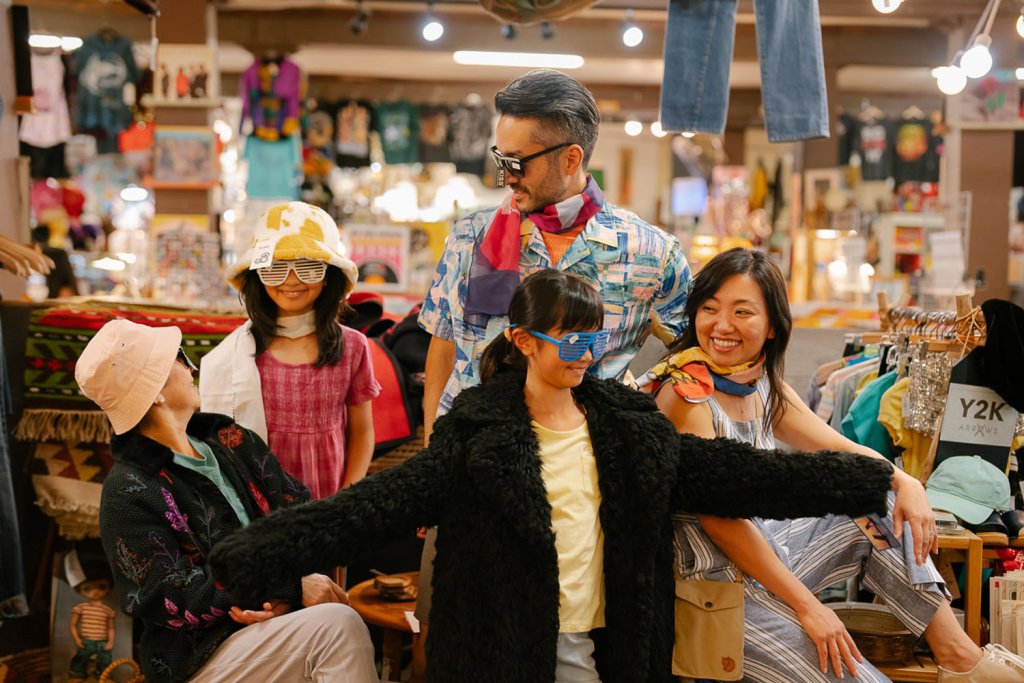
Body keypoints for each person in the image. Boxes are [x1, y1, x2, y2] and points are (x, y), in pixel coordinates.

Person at [209, 269, 895, 683]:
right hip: (502, 652)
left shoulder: (628, 424)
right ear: (524, 340)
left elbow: (737, 474)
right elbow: (372, 503)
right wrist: (252, 557)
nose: (582, 352)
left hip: (608, 644)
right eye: (567, 336)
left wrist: (871, 480)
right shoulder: (477, 435)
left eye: (591, 337)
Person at [414, 68, 692, 658]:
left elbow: (689, 352)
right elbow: (443, 341)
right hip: (474, 468)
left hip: (583, 487)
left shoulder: (649, 253)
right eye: (500, 158)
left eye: (518, 162)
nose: (504, 175)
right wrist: (433, 448)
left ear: (571, 157)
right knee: (452, 641)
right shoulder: (473, 237)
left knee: (572, 645)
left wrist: (637, 409)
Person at [650, 248, 1024, 683]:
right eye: (709, 309)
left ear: (772, 326)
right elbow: (722, 524)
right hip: (714, 585)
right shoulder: (687, 392)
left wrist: (905, 482)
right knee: (856, 676)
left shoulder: (758, 382)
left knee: (875, 494)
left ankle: (959, 656)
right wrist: (808, 606)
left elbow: (841, 448)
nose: (722, 326)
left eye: (742, 311)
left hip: (767, 554)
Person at [77, 319, 378, 683]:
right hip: (201, 658)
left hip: (274, 631)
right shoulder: (128, 489)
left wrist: (288, 592)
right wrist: (282, 588)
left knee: (336, 620)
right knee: (337, 625)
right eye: (179, 358)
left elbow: (301, 514)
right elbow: (169, 597)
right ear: (155, 390)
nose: (192, 367)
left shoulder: (232, 440)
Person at [200, 201, 380, 499]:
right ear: (257, 276)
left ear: (329, 276)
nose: (292, 280)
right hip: (260, 501)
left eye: (309, 267)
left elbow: (363, 431)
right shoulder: (242, 351)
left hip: (329, 500)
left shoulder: (352, 346)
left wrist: (346, 498)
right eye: (275, 269)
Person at [67, 563, 115, 683]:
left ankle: (104, 677)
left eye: (102, 587)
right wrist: (77, 639)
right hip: (86, 640)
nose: (95, 592)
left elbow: (111, 628)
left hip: (102, 642)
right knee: (81, 658)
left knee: (105, 659)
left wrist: (110, 641)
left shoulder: (108, 610)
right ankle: (77, 675)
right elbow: (73, 624)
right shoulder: (80, 608)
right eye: (87, 588)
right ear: (79, 590)